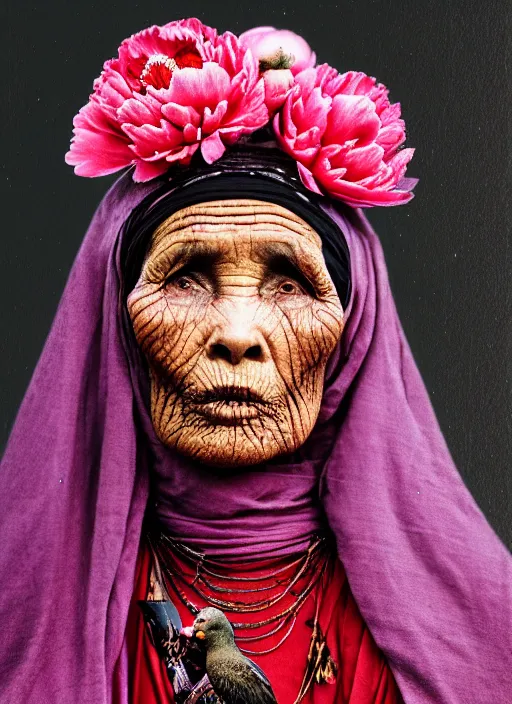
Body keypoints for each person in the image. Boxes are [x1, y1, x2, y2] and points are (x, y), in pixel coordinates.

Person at [0, 17, 510, 704]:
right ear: (114, 317)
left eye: (292, 284)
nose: (237, 334)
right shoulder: (29, 612)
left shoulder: (485, 640)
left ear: (355, 333)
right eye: (184, 279)